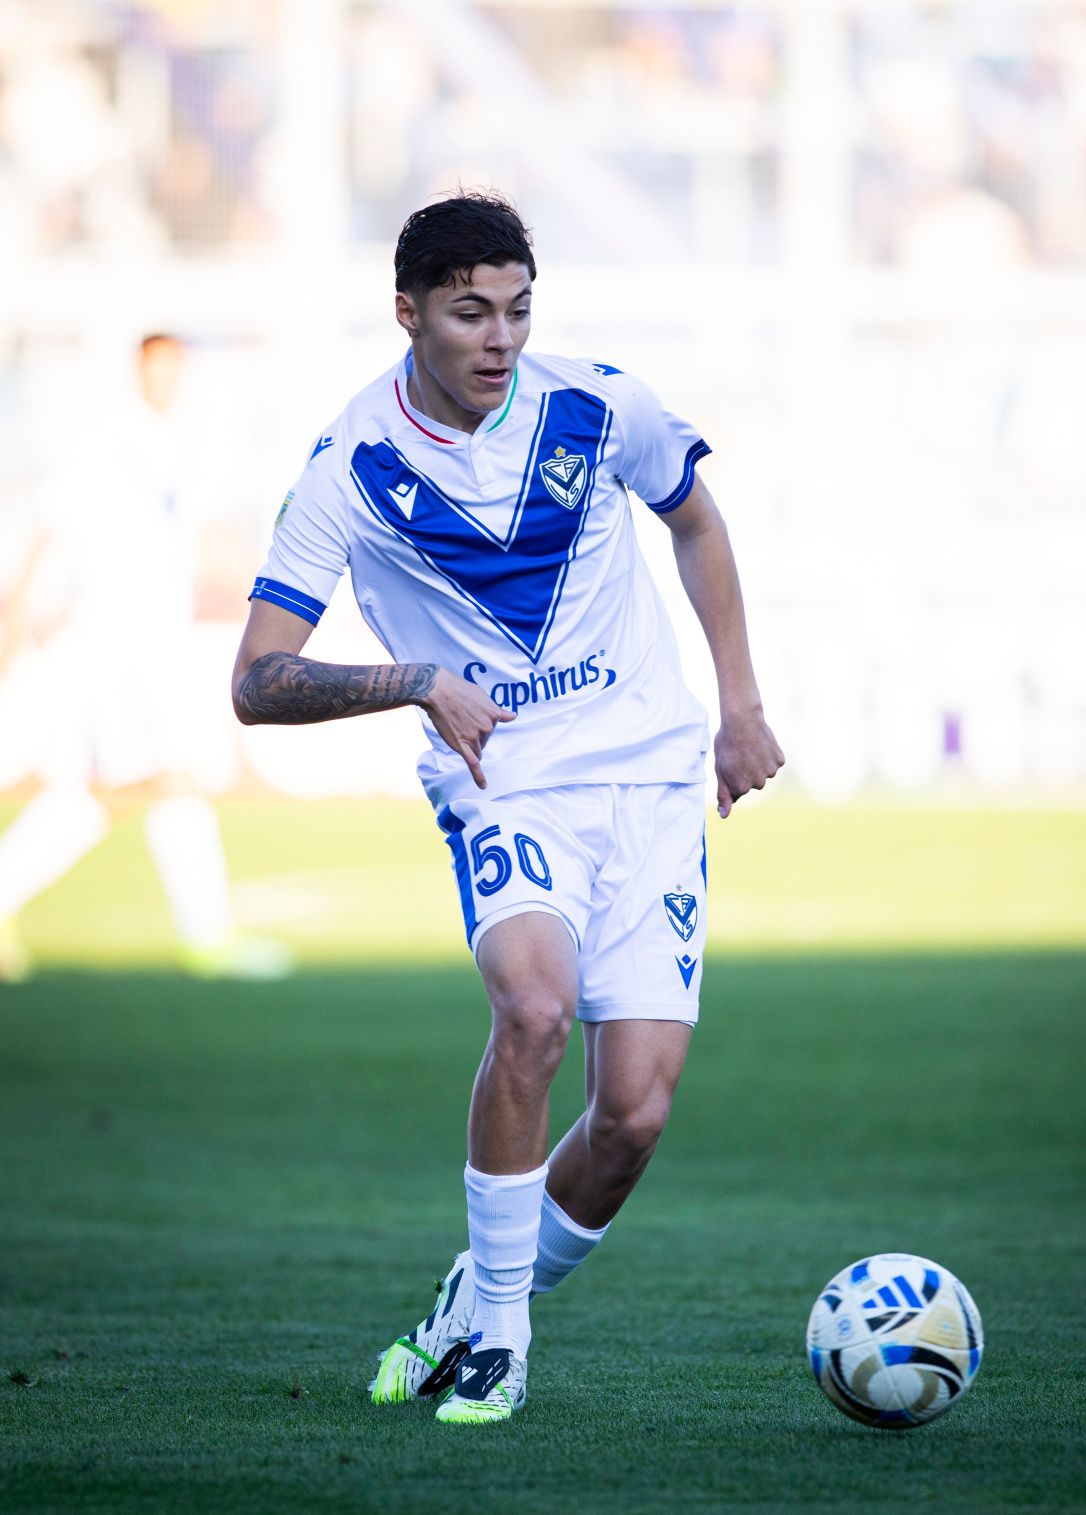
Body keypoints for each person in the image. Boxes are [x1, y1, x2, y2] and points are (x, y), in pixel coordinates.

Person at [231, 193, 783, 1425]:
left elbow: (696, 523)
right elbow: (257, 681)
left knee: (632, 1115)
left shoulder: (598, 404)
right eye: (470, 312)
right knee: (533, 1011)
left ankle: (471, 1298)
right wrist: (417, 681)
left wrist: (739, 705)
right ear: (408, 314)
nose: (501, 339)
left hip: (648, 775)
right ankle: (502, 1339)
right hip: (507, 781)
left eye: (518, 310)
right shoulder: (351, 466)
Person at [0, 335, 289, 982]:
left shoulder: (181, 447)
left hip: (155, 642)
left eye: (174, 369)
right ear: (138, 372)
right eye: (156, 368)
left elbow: (200, 539)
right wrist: (15, 613)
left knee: (111, 791)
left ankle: (205, 936)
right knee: (169, 777)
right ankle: (209, 940)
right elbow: (48, 522)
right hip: (116, 642)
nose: (166, 380)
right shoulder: (108, 443)